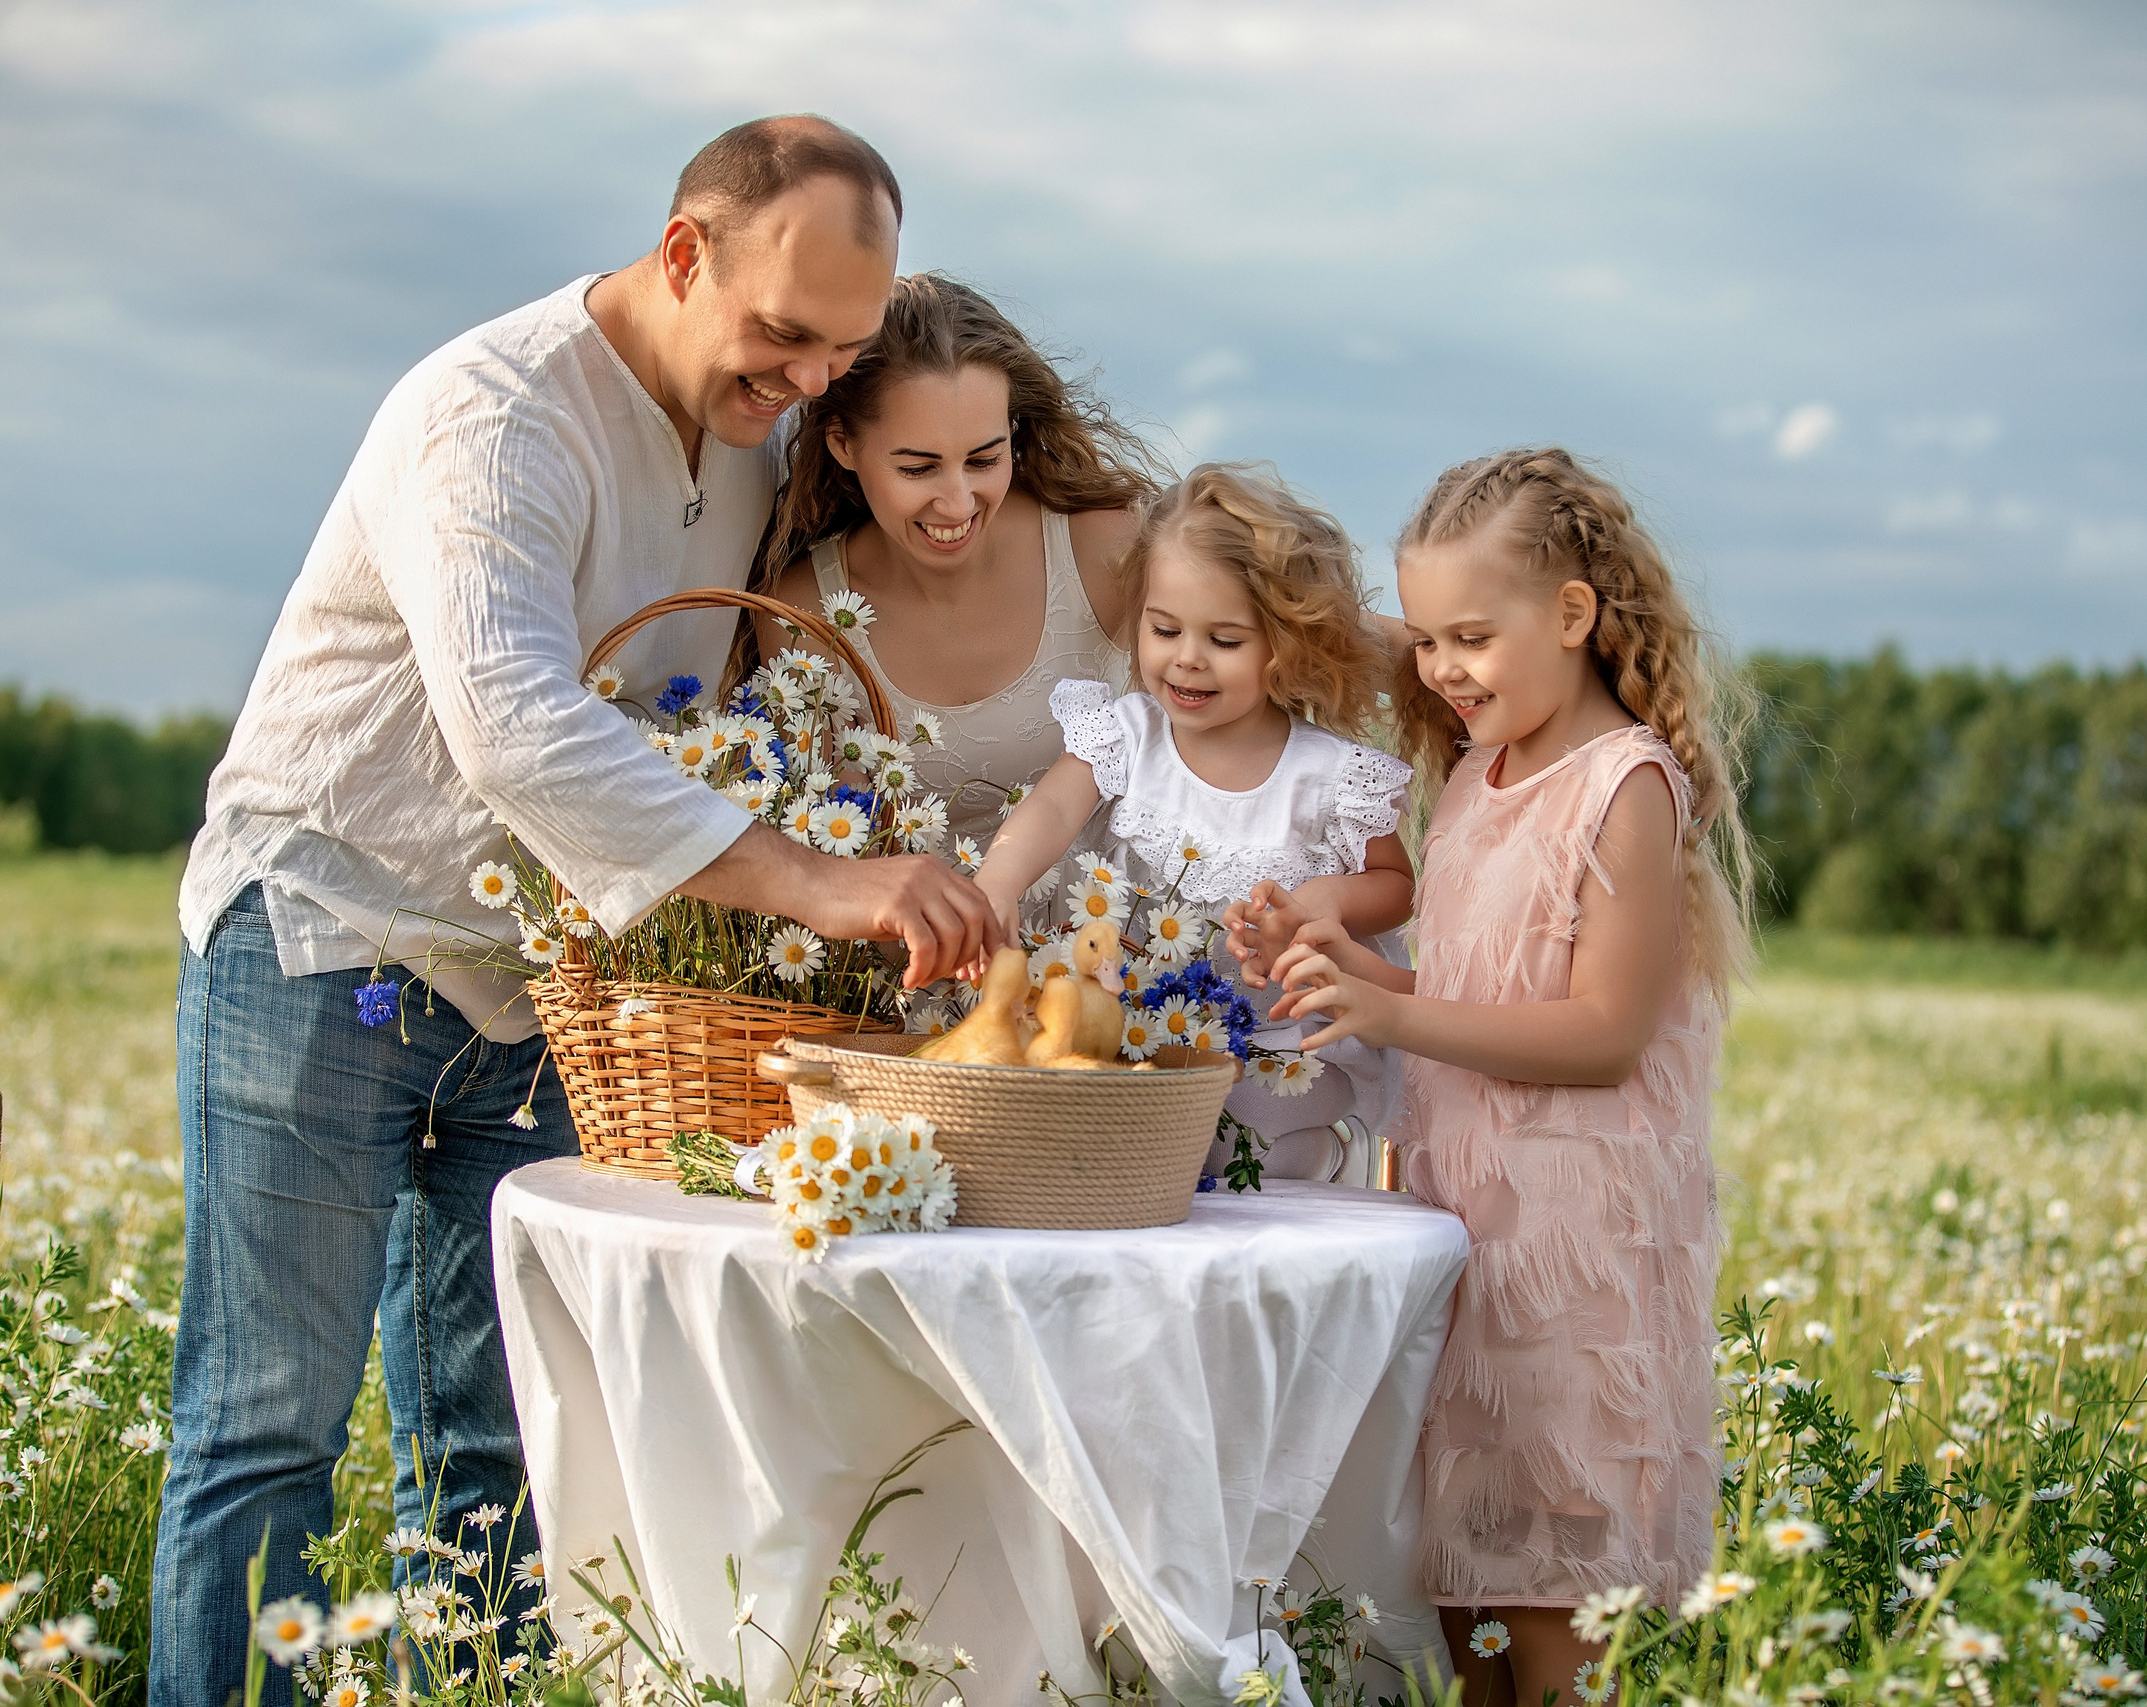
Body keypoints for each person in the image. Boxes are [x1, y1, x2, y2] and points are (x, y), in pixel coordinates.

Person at [156, 117, 996, 1704]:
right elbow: (516, 723)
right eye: (784, 335)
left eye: (842, 351)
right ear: (684, 252)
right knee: (264, 1430)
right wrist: (821, 880)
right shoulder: (494, 410)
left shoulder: (755, 435)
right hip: (326, 939)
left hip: (551, 990)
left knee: (503, 1441)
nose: (809, 381)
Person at [1261, 448, 1756, 1707]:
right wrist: (1343, 964)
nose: (1441, 668)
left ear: (1574, 614)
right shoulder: (1478, 776)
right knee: (1467, 1603)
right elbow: (1472, 987)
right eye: (1427, 638)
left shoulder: (1622, 786)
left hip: (1574, 1259)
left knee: (1552, 1602)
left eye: (1472, 637)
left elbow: (1601, 1034)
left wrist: (1394, 1011)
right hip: (1463, 1235)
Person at [974, 464, 1414, 1178]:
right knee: (1113, 1165)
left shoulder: (1328, 776)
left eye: (1225, 640)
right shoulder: (1128, 734)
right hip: (1133, 1036)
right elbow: (1052, 808)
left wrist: (1324, 900)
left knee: (1260, 1175)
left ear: (1284, 645)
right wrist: (998, 880)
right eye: (1164, 628)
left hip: (1272, 1057)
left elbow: (1396, 884)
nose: (1186, 659)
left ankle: (1300, 1182)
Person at [751, 274, 1161, 849]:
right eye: (918, 469)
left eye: (984, 460)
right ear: (843, 444)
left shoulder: (1104, 543)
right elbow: (840, 843)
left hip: (1130, 904)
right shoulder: (803, 613)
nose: (958, 503)